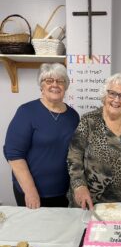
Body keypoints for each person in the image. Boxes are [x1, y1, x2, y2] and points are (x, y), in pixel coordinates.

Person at [3, 63, 80, 209]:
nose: (55, 85)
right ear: (41, 86)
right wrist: (31, 191)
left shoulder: (73, 116)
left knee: (58, 230)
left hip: (62, 191)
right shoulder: (26, 112)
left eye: (60, 81)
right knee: (34, 230)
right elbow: (14, 155)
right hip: (32, 191)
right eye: (49, 81)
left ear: (66, 86)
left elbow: (76, 152)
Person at [67, 73, 121, 210]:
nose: (116, 99)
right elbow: (74, 157)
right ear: (104, 96)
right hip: (91, 199)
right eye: (112, 93)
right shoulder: (89, 120)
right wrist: (79, 186)